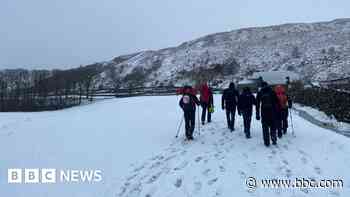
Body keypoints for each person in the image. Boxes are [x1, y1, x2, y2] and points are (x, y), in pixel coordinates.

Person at [256, 82, 279, 146]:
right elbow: (277, 102)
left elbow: (257, 104)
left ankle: (266, 142)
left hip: (264, 112)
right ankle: (273, 138)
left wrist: (257, 114)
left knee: (265, 127)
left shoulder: (260, 92)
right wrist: (277, 112)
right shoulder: (272, 91)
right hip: (272, 112)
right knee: (273, 126)